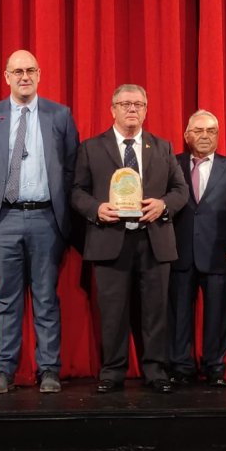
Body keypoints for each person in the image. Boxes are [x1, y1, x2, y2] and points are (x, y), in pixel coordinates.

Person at [0, 50, 79, 395]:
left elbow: (72, 164)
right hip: (5, 220)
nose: (24, 76)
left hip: (47, 218)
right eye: (17, 71)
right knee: (7, 298)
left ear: (40, 74)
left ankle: (49, 370)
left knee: (46, 297)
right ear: (6, 76)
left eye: (30, 70)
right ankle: (4, 370)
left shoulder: (60, 115)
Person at [71, 84, 189, 394]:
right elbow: (76, 192)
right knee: (112, 312)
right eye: (125, 104)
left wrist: (163, 205)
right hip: (109, 239)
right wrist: (97, 208)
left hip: (154, 241)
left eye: (138, 104)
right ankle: (112, 371)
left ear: (146, 110)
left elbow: (181, 190)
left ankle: (156, 370)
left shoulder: (162, 147)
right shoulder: (91, 148)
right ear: (112, 109)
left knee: (155, 310)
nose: (132, 109)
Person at [168, 110, 226, 387]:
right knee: (178, 314)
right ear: (187, 135)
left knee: (217, 313)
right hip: (178, 252)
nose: (205, 136)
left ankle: (215, 367)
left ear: (218, 135)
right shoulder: (172, 163)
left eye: (211, 131)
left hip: (218, 251)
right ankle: (181, 366)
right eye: (199, 131)